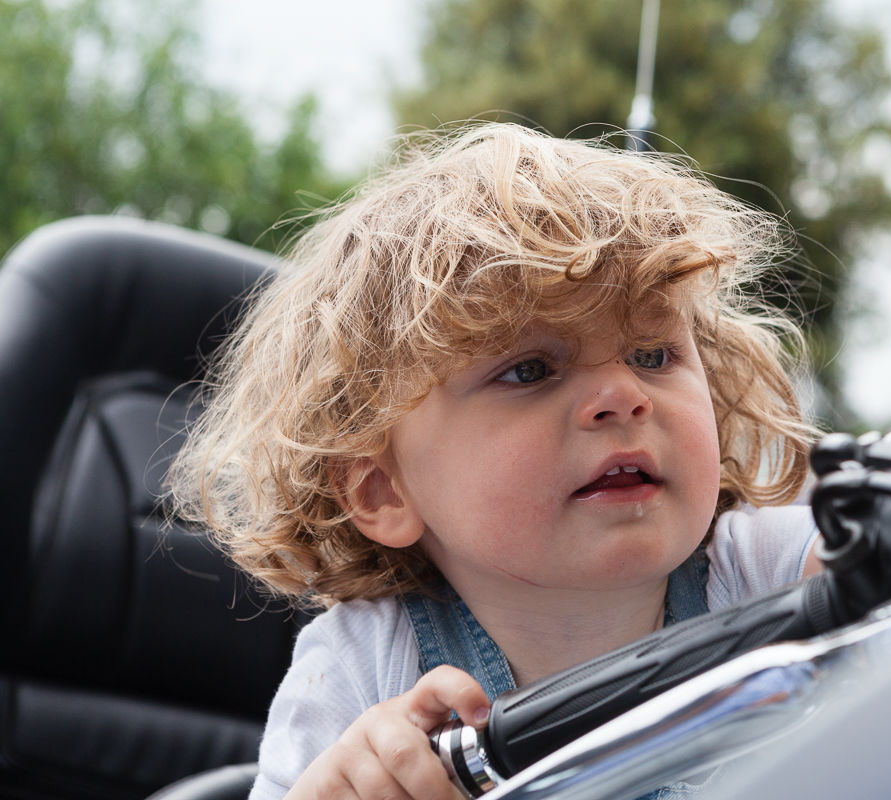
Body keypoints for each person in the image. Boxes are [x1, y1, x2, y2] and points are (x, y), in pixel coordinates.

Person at [167, 122, 824, 800]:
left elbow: (878, 563)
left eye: (652, 355)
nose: (624, 396)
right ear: (382, 488)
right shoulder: (361, 668)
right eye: (530, 369)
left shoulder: (767, 569)